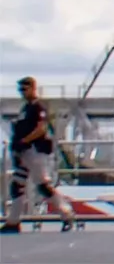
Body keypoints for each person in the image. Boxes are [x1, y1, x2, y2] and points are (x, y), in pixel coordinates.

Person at [2, 76, 75, 233]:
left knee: (43, 186)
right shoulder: (25, 109)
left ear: (33, 88)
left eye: (24, 89)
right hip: (25, 153)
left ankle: (66, 214)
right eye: (20, 89)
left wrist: (25, 141)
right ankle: (13, 221)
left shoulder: (38, 107)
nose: (22, 92)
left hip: (35, 151)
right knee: (17, 185)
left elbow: (41, 129)